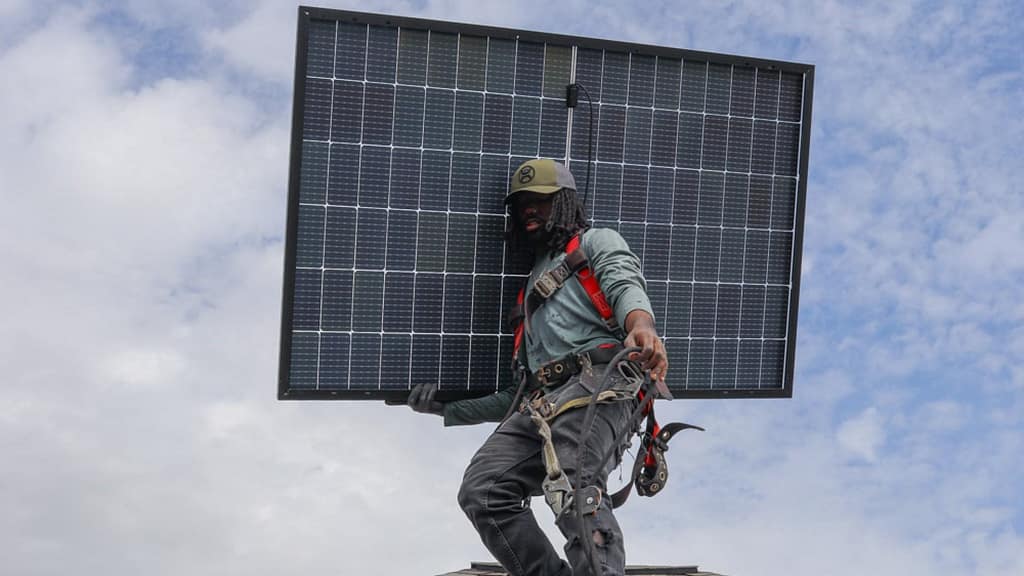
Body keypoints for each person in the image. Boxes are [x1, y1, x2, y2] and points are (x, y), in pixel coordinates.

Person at [406, 158, 668, 576]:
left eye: (541, 202)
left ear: (565, 204)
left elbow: (624, 283)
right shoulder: (528, 294)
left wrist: (641, 326)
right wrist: (446, 409)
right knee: (484, 490)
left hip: (599, 384)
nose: (530, 210)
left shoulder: (597, 242)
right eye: (523, 205)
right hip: (542, 406)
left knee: (573, 481)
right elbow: (515, 397)